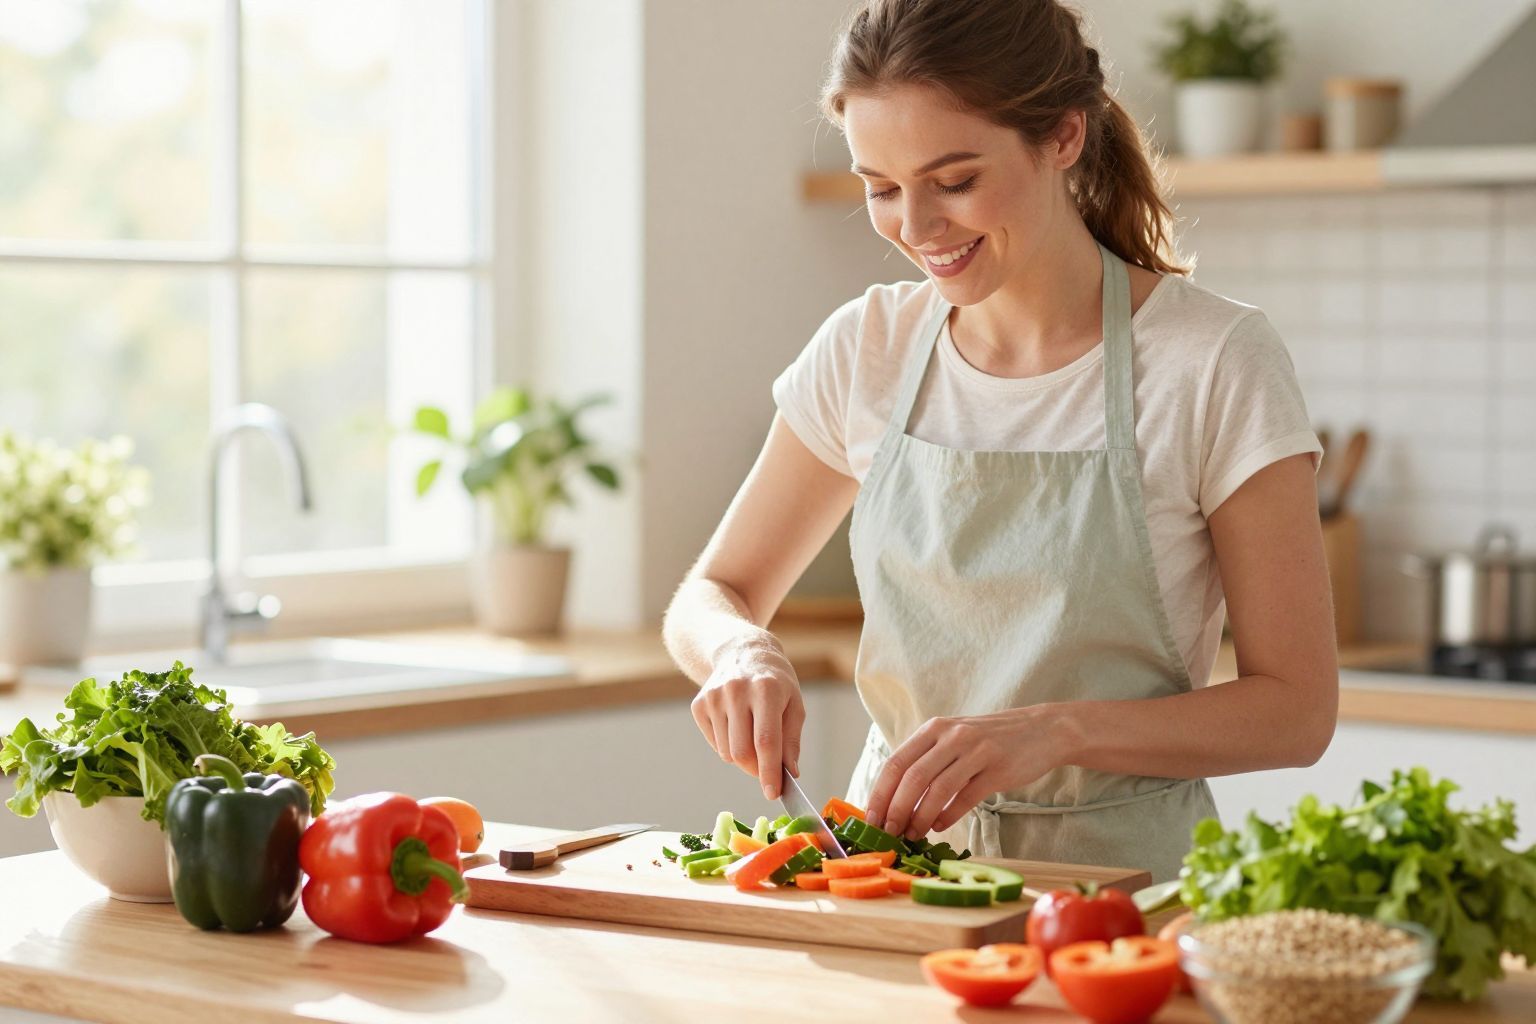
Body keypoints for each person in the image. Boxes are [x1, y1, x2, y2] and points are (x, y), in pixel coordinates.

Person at [661, 0, 1338, 882]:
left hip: (1120, 896)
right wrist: (740, 649)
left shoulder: (1212, 361)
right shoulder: (867, 347)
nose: (916, 225)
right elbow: (714, 590)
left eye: (954, 180)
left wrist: (1060, 731)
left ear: (1062, 136)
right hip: (892, 880)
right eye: (881, 187)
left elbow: (1295, 711)